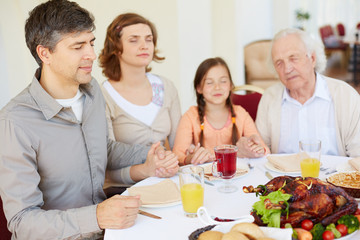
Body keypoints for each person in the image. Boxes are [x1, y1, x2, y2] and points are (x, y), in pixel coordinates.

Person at [0, 0, 178, 239]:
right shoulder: (15, 122)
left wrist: (147, 153)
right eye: (78, 46)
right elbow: (22, 221)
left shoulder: (91, 91)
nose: (91, 55)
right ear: (45, 53)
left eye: (91, 43)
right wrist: (96, 217)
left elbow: (103, 148)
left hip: (110, 231)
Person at [98, 13, 181, 185]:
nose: (144, 46)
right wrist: (146, 171)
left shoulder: (167, 87)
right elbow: (105, 168)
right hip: (123, 192)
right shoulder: (102, 95)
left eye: (149, 39)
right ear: (116, 47)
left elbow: (178, 147)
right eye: (134, 40)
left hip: (167, 182)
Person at [256, 28, 360, 157]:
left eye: (293, 58)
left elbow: (358, 156)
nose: (287, 69)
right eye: (279, 63)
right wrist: (251, 149)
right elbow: (261, 152)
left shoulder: (346, 96)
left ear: (312, 58)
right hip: (282, 177)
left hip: (334, 177)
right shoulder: (269, 98)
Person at [173, 57, 269, 165]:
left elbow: (265, 151)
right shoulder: (190, 116)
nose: (217, 87)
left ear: (230, 85)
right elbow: (178, 155)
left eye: (223, 81)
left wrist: (255, 150)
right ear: (199, 88)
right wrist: (191, 158)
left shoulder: (241, 114)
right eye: (209, 83)